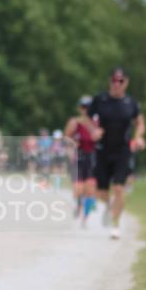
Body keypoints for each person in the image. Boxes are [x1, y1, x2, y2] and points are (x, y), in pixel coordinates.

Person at [88, 67, 146, 240]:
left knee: (119, 188)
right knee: (100, 191)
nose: (116, 84)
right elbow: (87, 119)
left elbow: (140, 123)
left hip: (122, 150)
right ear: (110, 81)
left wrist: (138, 137)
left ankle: (115, 225)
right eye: (114, 80)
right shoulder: (100, 99)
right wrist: (93, 130)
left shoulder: (131, 103)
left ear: (126, 82)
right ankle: (109, 206)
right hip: (102, 150)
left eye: (120, 81)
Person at [64, 96, 99, 225]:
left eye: (88, 107)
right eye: (83, 107)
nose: (86, 110)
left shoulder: (97, 122)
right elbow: (66, 137)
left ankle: (85, 217)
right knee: (77, 189)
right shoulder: (74, 122)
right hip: (78, 157)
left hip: (92, 157)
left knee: (89, 189)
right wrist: (71, 146)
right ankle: (79, 203)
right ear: (80, 108)